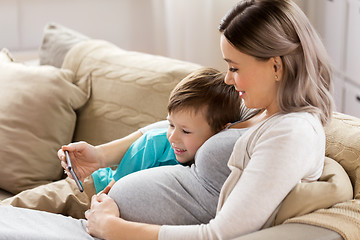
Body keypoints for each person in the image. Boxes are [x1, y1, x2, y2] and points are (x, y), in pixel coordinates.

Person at [0, 0, 334, 239]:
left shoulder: (291, 134)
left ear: (276, 66)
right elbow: (170, 128)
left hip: (115, 229)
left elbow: (219, 234)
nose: (228, 80)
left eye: (234, 67)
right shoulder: (263, 110)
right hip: (103, 215)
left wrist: (115, 229)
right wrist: (101, 155)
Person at [1, 67, 242, 219]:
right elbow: (117, 188)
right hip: (93, 188)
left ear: (220, 131)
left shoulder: (214, 163)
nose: (173, 137)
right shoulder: (155, 143)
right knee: (23, 206)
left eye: (186, 131)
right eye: (171, 124)